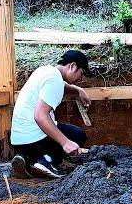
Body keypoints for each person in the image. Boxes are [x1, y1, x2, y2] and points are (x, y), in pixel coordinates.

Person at [10, 50, 93, 179]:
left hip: (19, 140)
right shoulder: (55, 80)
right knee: (77, 135)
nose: (80, 79)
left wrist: (77, 89)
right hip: (34, 138)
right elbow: (40, 116)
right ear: (72, 66)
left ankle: (26, 157)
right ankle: (45, 161)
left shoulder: (46, 71)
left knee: (63, 132)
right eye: (81, 74)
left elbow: (60, 85)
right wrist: (66, 143)